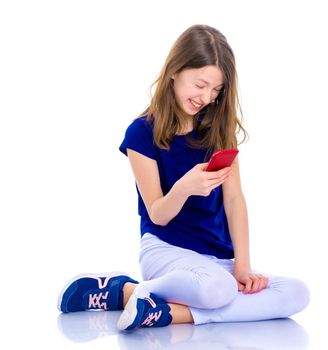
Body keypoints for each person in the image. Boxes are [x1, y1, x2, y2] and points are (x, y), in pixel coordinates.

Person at [57, 24, 310, 331]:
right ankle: (122, 290)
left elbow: (234, 200)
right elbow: (158, 214)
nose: (206, 97)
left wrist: (242, 266)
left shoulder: (217, 131)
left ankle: (164, 312)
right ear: (176, 71)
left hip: (216, 260)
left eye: (216, 91)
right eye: (200, 84)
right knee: (219, 290)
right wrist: (183, 189)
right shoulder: (141, 133)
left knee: (296, 293)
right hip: (165, 250)